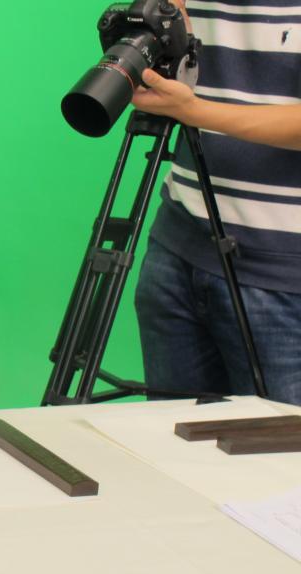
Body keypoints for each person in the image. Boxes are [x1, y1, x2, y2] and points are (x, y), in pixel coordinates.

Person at [132, 0, 301, 403]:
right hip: (178, 247)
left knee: (278, 441)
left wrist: (194, 111)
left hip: (283, 276)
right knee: (168, 433)